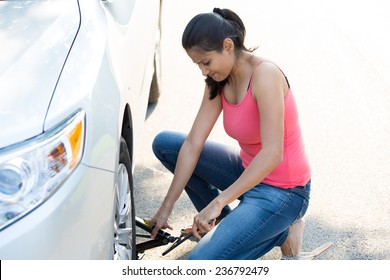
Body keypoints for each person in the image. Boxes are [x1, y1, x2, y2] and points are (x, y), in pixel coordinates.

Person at [147, 8, 312, 260]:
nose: (203, 71)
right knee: (167, 145)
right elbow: (193, 143)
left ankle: (281, 231)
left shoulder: (265, 75)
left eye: (206, 62)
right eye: (198, 65)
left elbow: (272, 154)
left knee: (199, 264)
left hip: (284, 191)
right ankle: (226, 226)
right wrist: (165, 209)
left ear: (227, 46)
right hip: (248, 173)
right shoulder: (219, 80)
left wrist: (216, 202)